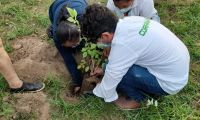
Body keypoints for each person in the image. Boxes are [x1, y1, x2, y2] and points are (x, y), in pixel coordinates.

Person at [81, 4, 190, 110]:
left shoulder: (123, 45)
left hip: (170, 83)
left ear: (105, 35)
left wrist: (99, 90)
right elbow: (118, 61)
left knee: (122, 75)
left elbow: (112, 77)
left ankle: (136, 99)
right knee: (117, 68)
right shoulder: (129, 21)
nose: (98, 43)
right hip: (177, 66)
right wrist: (105, 69)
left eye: (96, 40)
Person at [47, 0, 87, 94]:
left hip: (79, 2)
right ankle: (51, 29)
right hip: (56, 6)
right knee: (53, 30)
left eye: (74, 44)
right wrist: (77, 82)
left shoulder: (84, 18)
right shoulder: (57, 37)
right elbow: (69, 60)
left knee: (81, 45)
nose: (72, 47)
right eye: (69, 45)